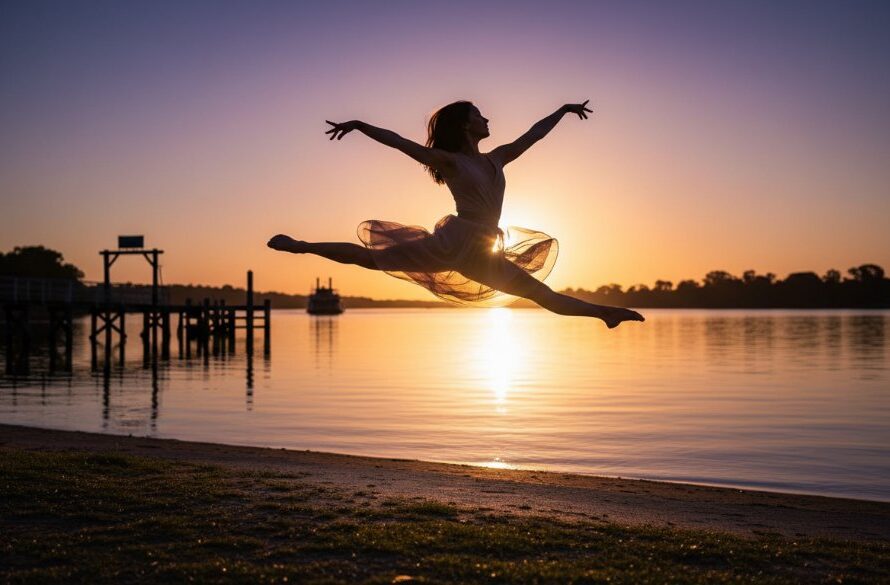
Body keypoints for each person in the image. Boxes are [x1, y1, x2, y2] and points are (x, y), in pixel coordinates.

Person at [268, 100, 644, 328]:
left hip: (483, 250)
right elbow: (400, 143)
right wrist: (360, 125)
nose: (487, 120)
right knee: (371, 259)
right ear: (466, 126)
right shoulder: (447, 160)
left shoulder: (497, 158)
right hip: (457, 242)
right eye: (480, 115)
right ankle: (301, 245)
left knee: (540, 294)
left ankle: (603, 314)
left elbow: (534, 135)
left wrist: (562, 111)